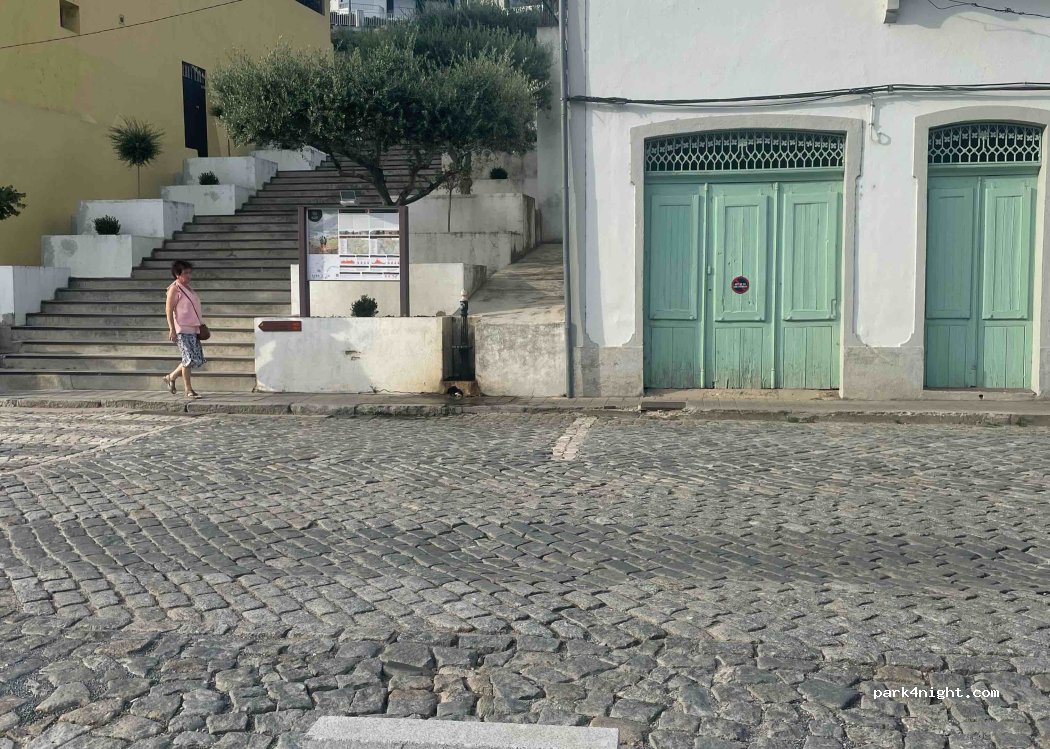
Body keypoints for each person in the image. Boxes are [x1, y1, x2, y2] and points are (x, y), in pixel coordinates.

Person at [163, 260, 206, 398]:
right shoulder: (174, 288)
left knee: (192, 359)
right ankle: (188, 390)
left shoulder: (189, 288)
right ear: (177, 274)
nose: (189, 276)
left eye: (189, 272)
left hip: (193, 328)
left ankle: (171, 377)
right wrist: (172, 329)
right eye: (185, 273)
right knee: (188, 358)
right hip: (181, 329)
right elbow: (169, 310)